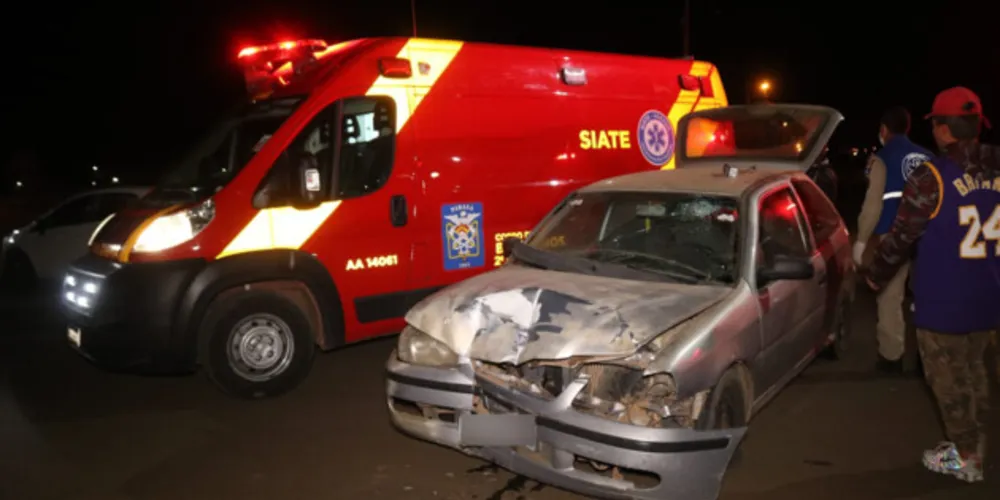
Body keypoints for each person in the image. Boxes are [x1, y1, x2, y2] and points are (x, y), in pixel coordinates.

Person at [863, 86, 1000, 483]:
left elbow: (902, 237)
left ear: (942, 130)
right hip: (990, 300)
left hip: (944, 305)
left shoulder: (932, 178)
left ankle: (967, 458)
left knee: (950, 385)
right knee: (977, 375)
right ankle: (975, 443)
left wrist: (875, 274)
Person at [854, 106, 932, 373]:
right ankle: (927, 356)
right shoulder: (928, 156)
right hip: (928, 236)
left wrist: (861, 241)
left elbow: (873, 205)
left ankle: (891, 357)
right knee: (927, 296)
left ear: (884, 130)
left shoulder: (882, 158)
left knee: (889, 295)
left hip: (893, 235)